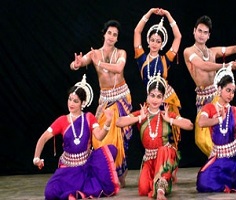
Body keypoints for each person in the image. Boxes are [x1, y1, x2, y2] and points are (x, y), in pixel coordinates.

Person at [33, 74, 120, 199]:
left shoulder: (89, 117)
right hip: (67, 167)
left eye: (75, 101)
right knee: (50, 193)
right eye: (69, 99)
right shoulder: (62, 120)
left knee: (111, 149)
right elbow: (43, 138)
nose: (71, 103)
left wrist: (107, 122)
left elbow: (100, 136)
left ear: (82, 103)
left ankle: (81, 186)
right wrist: (36, 158)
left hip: (85, 164)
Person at [70, 20, 132, 187]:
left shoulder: (121, 53)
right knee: (99, 137)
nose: (111, 37)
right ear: (104, 34)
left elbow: (119, 69)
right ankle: (107, 171)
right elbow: (78, 62)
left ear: (117, 38)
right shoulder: (94, 54)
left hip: (121, 97)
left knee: (117, 136)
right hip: (104, 99)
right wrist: (76, 64)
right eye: (109, 33)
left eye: (115, 35)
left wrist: (98, 63)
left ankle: (121, 173)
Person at [116, 74, 193, 200]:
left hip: (165, 155)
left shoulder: (165, 115)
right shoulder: (142, 114)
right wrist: (138, 118)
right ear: (147, 96)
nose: (155, 100)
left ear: (163, 99)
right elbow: (119, 122)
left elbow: (189, 125)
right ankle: (163, 180)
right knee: (144, 189)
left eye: (159, 96)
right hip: (149, 158)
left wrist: (170, 120)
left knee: (164, 150)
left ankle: (161, 188)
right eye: (152, 95)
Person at [183, 15, 236, 157]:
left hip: (218, 97)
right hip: (202, 98)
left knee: (223, 132)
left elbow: (228, 49)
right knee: (201, 138)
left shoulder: (212, 51)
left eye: (205, 32)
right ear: (194, 31)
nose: (201, 35)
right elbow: (203, 66)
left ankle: (235, 161)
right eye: (199, 31)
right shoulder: (188, 52)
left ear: (208, 35)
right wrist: (226, 65)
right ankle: (220, 162)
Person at [134, 8, 182, 150]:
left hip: (166, 100)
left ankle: (168, 168)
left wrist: (168, 15)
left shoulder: (165, 59)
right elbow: (137, 32)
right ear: (148, 41)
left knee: (168, 136)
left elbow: (178, 37)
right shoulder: (141, 58)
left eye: (158, 41)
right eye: (152, 40)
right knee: (152, 135)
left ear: (162, 44)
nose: (155, 43)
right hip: (152, 101)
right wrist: (148, 13)